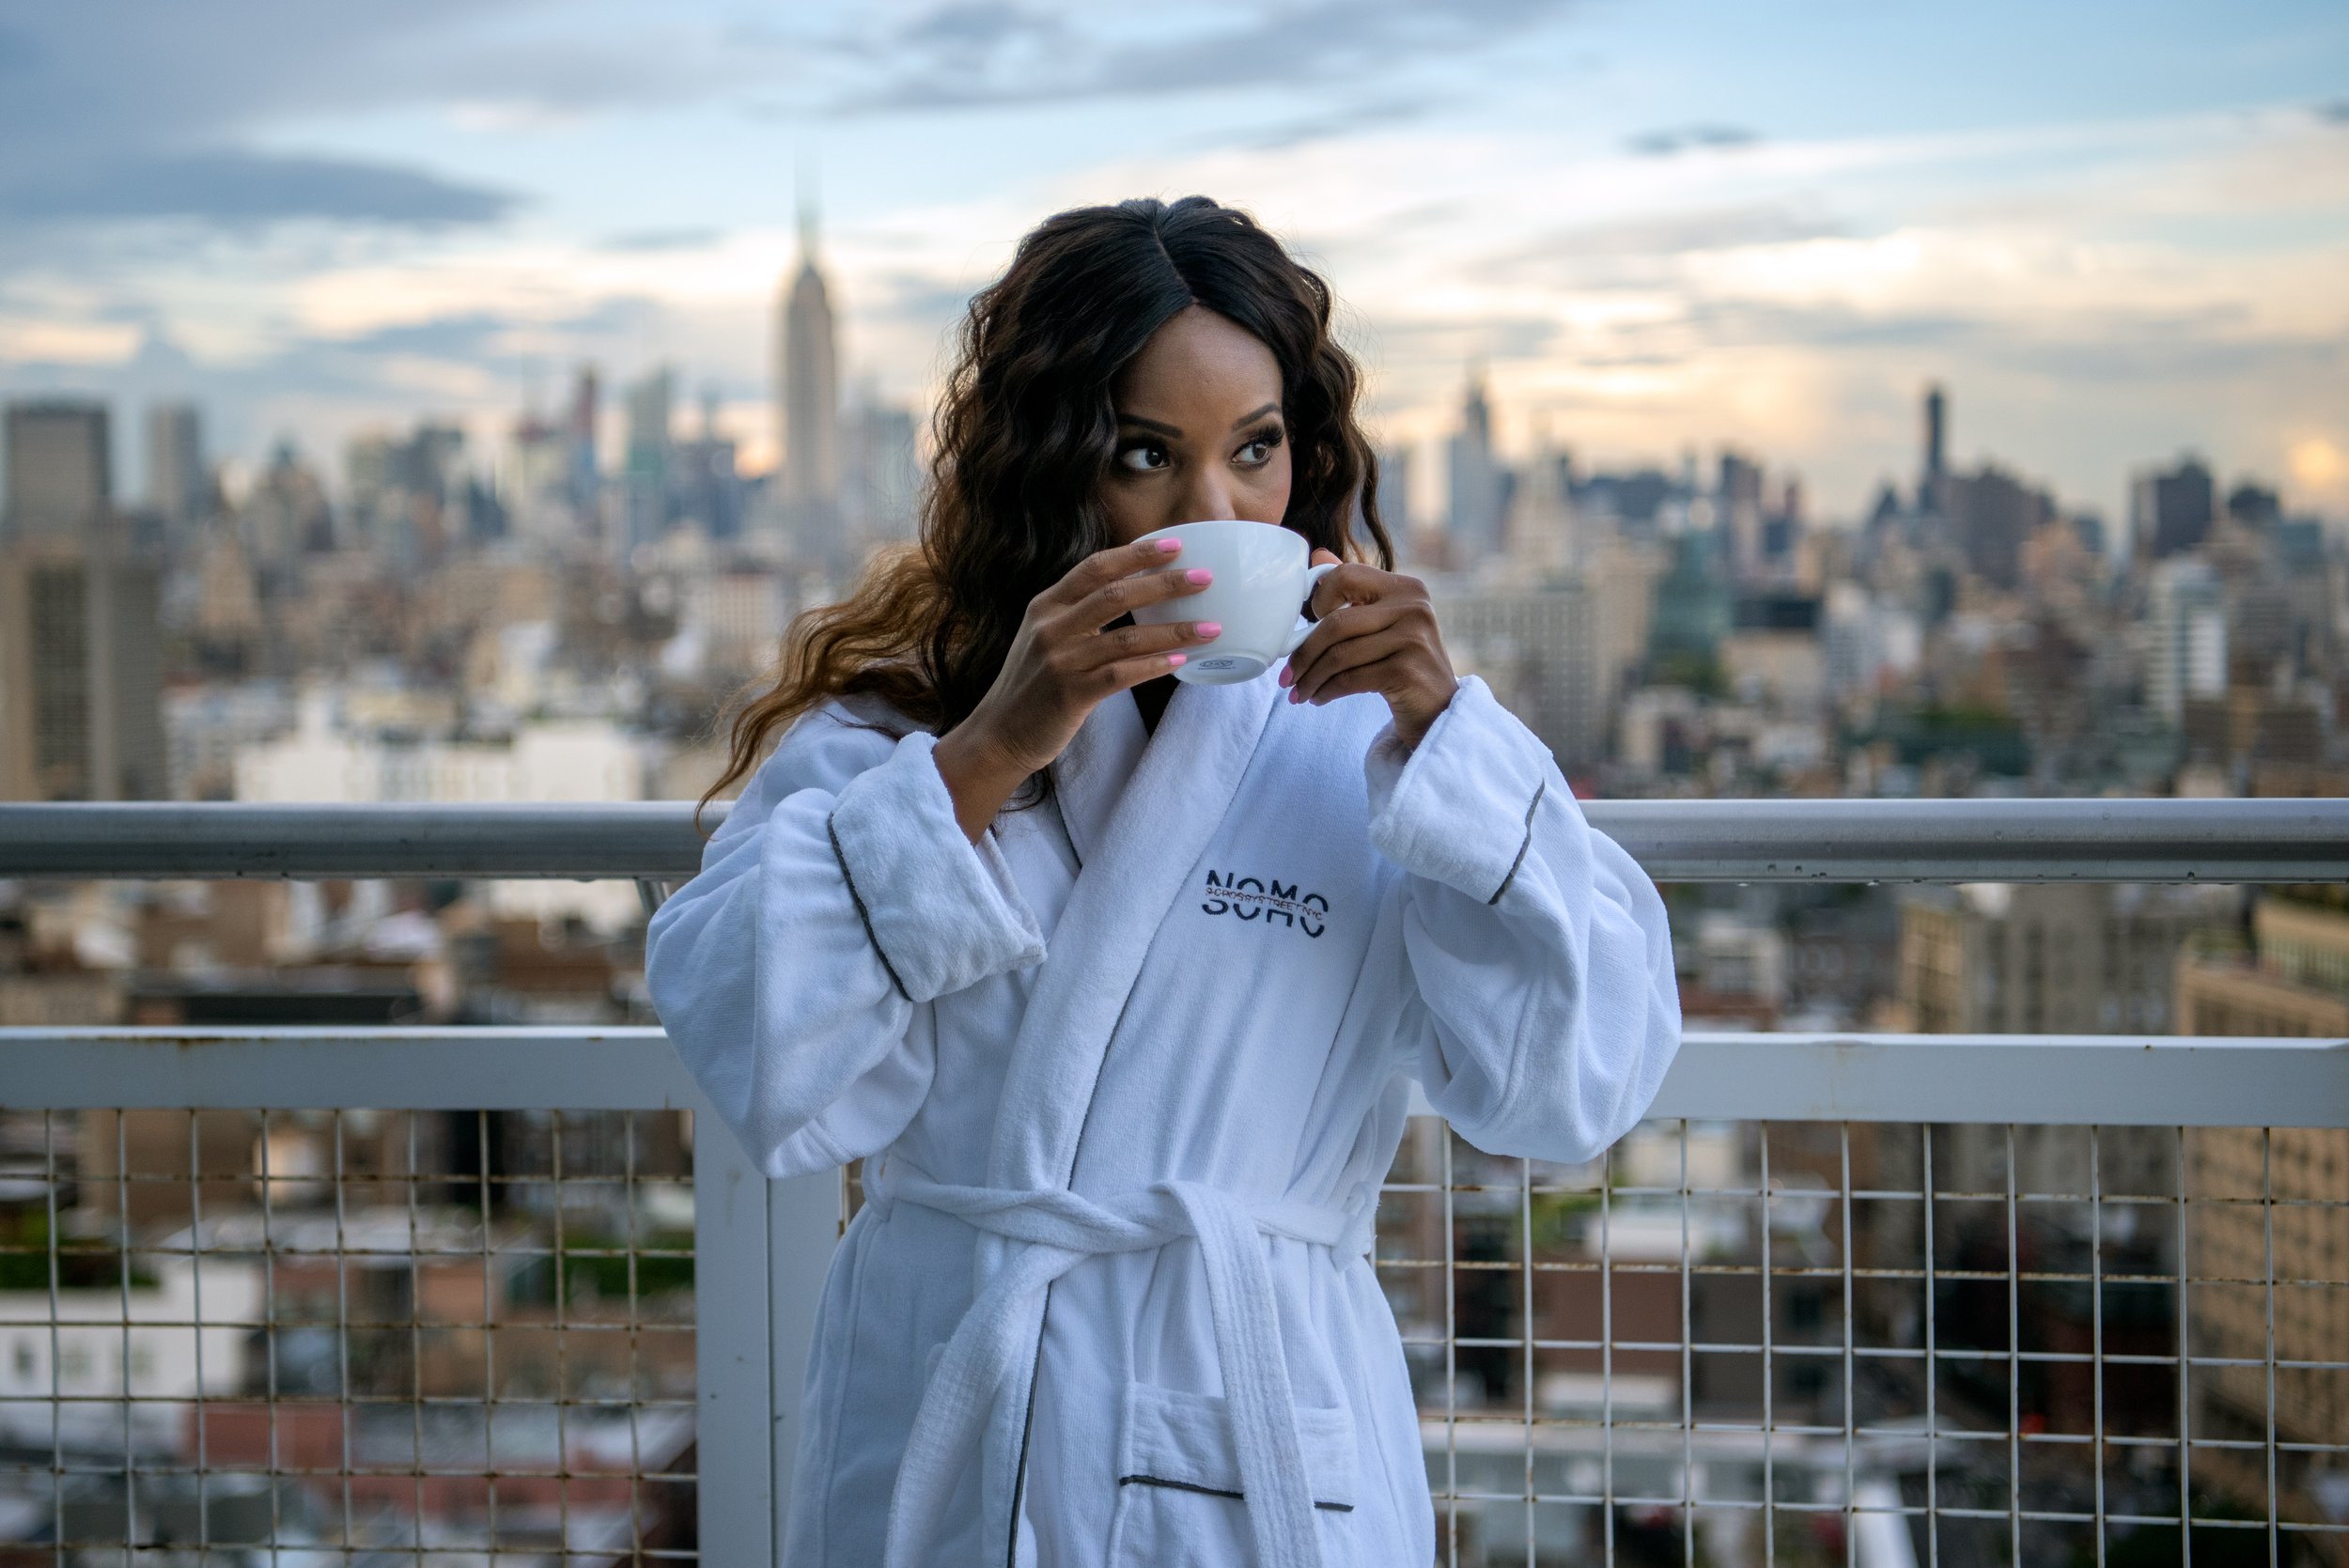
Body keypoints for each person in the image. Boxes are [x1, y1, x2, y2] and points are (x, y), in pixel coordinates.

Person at [646, 195, 1680, 1568]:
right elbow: (751, 1038)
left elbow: (1575, 1083)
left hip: (1261, 1425)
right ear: (1054, 467)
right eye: (1148, 455)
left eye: (1255, 451)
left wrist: (1459, 747)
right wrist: (994, 747)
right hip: (958, 1418)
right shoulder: (904, 744)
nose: (1212, 512)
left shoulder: (1376, 750)